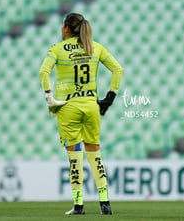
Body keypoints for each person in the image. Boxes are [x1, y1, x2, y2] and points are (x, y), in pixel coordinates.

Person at [39, 13, 123, 215]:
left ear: (66, 29)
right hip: (92, 106)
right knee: (95, 155)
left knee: (75, 158)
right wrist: (109, 98)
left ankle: (79, 205)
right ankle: (105, 202)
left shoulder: (57, 49)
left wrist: (50, 97)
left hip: (68, 108)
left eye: (62, 26)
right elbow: (117, 70)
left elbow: (43, 72)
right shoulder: (95, 47)